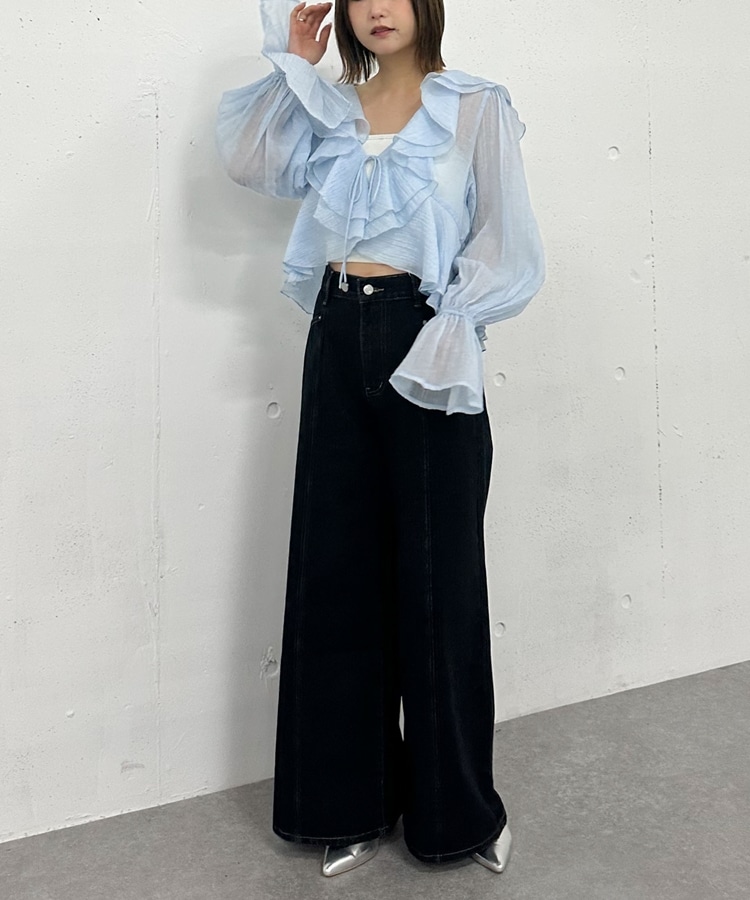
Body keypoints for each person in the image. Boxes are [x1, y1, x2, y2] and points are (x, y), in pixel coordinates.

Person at [215, 0, 545, 878]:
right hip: (335, 336)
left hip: (428, 337)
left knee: (439, 579)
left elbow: (507, 241)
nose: (376, 8)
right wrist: (293, 62)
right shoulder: (329, 105)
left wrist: (452, 328)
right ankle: (348, 804)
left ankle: (458, 815)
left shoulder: (474, 106)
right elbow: (251, 162)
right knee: (337, 576)